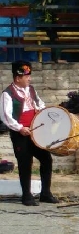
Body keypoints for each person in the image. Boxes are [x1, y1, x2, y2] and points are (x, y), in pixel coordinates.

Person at [0, 61, 56, 206]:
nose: (29, 78)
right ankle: (26, 195)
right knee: (25, 163)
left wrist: (45, 113)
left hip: (35, 131)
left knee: (46, 159)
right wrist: (19, 128)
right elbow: (5, 116)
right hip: (20, 134)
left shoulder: (31, 90)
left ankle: (45, 193)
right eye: (26, 76)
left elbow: (40, 104)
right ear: (18, 78)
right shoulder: (7, 94)